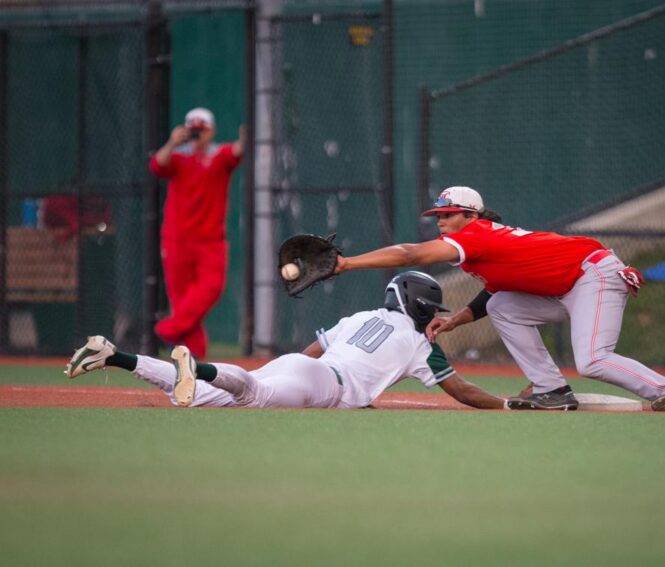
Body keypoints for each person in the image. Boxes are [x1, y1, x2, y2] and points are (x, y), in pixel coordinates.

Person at [334, 185, 665, 412]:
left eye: (448, 215)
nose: (441, 221)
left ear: (470, 215)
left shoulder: (477, 234)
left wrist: (347, 263)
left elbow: (409, 255)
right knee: (502, 306)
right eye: (439, 215)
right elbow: (491, 296)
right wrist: (453, 321)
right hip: (569, 287)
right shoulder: (481, 246)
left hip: (593, 274)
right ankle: (552, 390)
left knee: (594, 359)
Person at [65, 271, 507, 410]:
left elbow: (308, 354)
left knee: (197, 399)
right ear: (420, 307)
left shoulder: (361, 316)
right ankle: (195, 365)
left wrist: (293, 373)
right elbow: (462, 390)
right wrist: (504, 404)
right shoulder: (419, 342)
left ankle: (115, 355)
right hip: (325, 385)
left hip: (300, 366)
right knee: (253, 396)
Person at [149, 107, 245, 358]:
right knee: (182, 300)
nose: (197, 135)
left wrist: (246, 138)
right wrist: (172, 141)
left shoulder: (218, 155)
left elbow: (237, 151)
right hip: (176, 237)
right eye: (193, 130)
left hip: (210, 239)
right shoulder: (178, 157)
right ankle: (194, 355)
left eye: (201, 130)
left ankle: (168, 329)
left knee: (211, 287)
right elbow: (157, 166)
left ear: (211, 131)